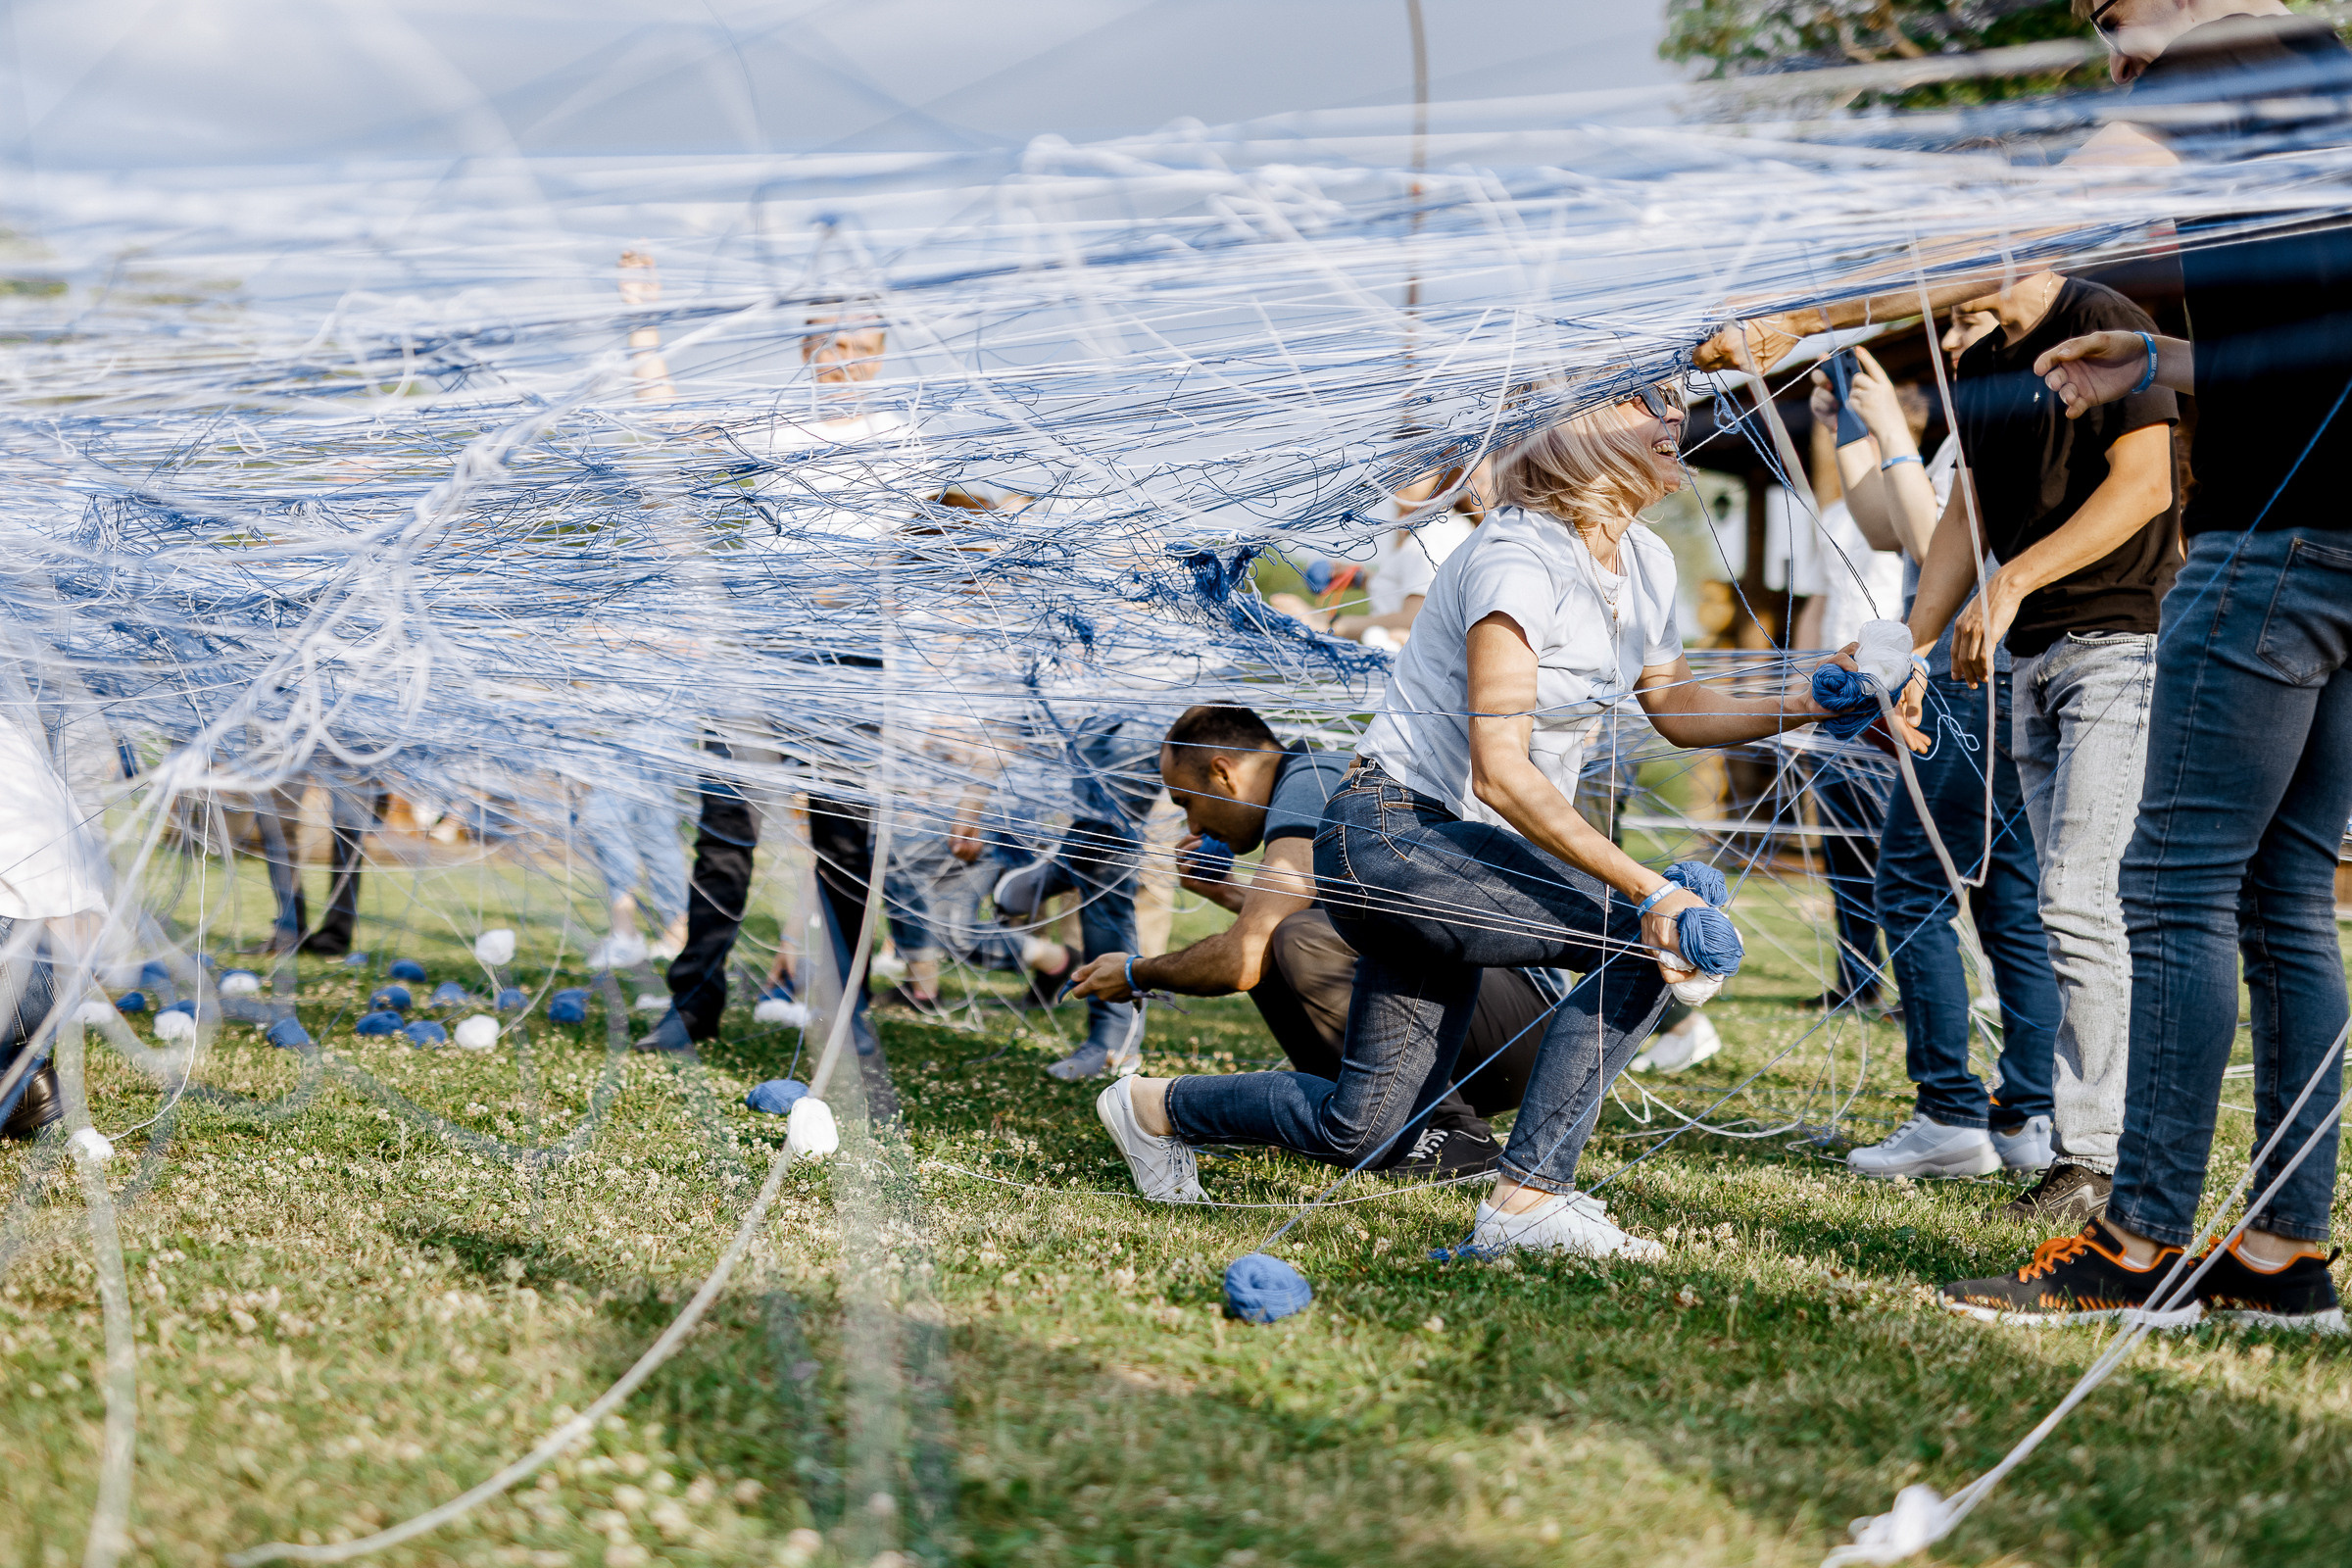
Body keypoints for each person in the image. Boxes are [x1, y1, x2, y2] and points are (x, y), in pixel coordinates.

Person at [1091, 381, 1895, 1254]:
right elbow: (1501, 772)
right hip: (1392, 838)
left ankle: (1149, 1108)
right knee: (1642, 934)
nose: (1674, 417)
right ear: (1573, 430)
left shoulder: (1650, 563)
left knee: (1361, 1128)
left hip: (1458, 855)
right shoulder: (1516, 557)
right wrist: (1649, 888)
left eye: (1672, 399)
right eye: (1642, 399)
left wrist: (1819, 692)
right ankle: (1526, 1202)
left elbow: (1679, 706)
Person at [1943, 0, 2352, 1328]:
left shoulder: (2224, 55)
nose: (2121, 64)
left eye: (2122, 21)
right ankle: (2285, 1256)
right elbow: (2312, 338)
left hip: (2271, 554)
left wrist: (1798, 313)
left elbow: (2045, 219)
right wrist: (2157, 354)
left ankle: (2139, 1247)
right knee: (2287, 898)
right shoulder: (2329, 74)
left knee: (2170, 886)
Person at [1891, 268, 2180, 1225]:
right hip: (2027, 660)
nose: (1931, 280)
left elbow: (2146, 486)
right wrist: (1910, 649)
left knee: (2075, 894)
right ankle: (2085, 1143)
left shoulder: (2104, 320)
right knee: (2057, 899)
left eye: (1945, 246)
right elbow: (1965, 512)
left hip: (2118, 646)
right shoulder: (1980, 358)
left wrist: (2011, 582)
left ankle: (2098, 1157)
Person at [1064, 703, 1549, 1176]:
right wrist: (1236, 899)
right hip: (1488, 1036)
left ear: (1223, 772)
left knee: (1292, 938)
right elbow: (1350, 922)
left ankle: (1444, 1130)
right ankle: (1369, 1124)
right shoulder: (1314, 775)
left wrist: (1134, 971)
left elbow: (1242, 960)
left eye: (1186, 802)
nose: (1192, 827)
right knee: (1284, 937)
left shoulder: (1308, 781)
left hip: (1520, 1021)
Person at [1818, 341, 2066, 1182]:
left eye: (1965, 322)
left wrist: (1887, 428)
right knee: (2008, 897)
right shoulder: (1978, 422)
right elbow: (1885, 522)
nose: (1955, 340)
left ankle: (1949, 1112)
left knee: (1913, 883)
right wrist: (1852, 428)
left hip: (1975, 677)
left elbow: (1941, 549)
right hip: (1998, 677)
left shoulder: (2002, 413)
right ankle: (2027, 1115)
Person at [989, 710, 1166, 1078]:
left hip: (1155, 704)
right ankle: (1111, 1042)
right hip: (1082, 710)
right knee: (1100, 868)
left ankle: (1057, 871)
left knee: (1106, 860)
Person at [1267, 468, 1480, 646]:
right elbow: (1418, 591)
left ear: (1449, 473)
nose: (1402, 475)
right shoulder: (1435, 528)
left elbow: (1416, 619)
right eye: (1399, 463)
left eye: (1420, 467)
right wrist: (1363, 579)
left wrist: (1325, 622)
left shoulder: (1438, 533)